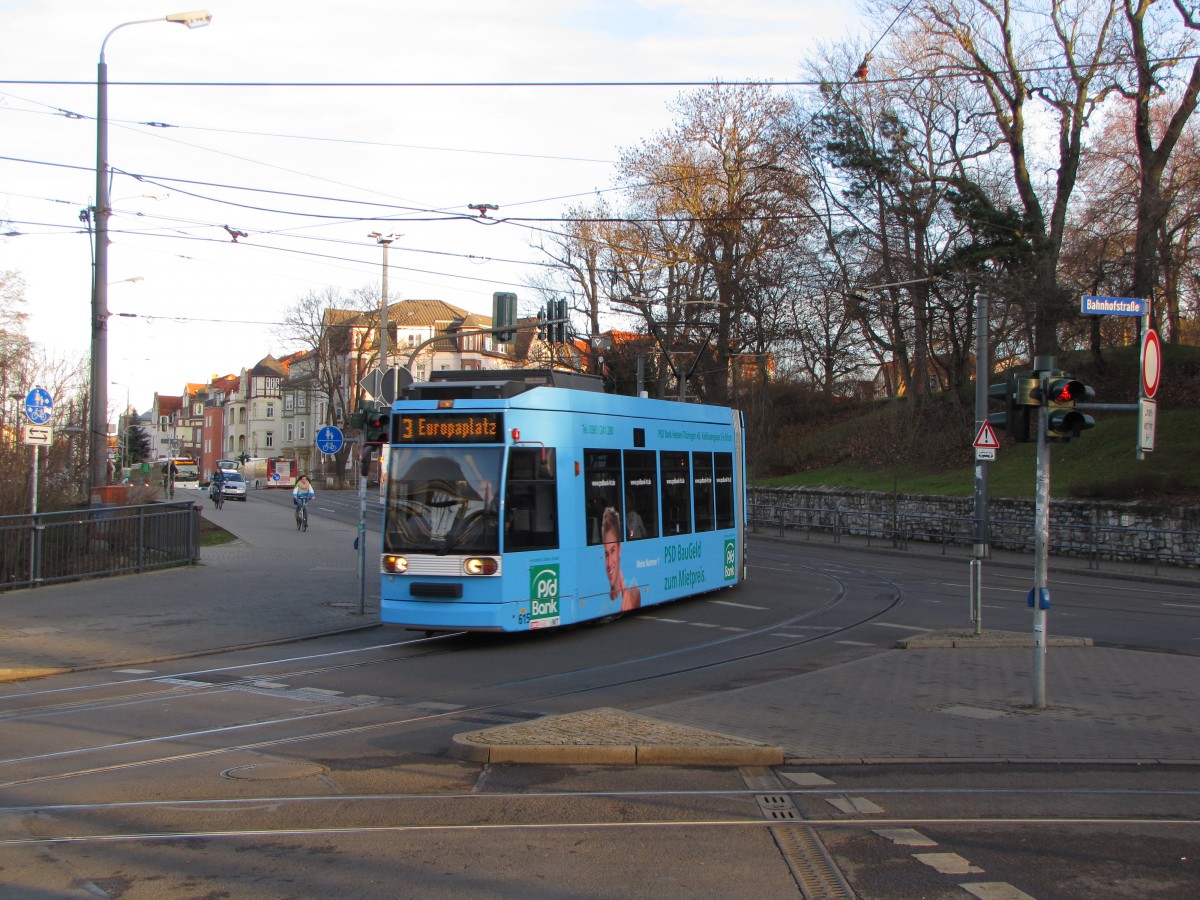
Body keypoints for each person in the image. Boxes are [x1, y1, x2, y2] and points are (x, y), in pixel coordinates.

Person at [601, 506, 641, 612]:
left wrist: (632, 598)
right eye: (606, 554)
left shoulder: (630, 586)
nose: (609, 563)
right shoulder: (603, 603)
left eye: (613, 550)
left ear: (620, 548)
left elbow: (635, 592)